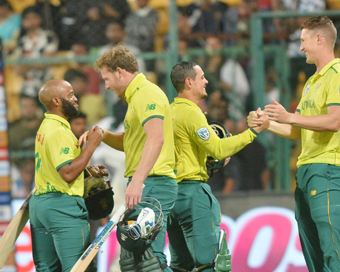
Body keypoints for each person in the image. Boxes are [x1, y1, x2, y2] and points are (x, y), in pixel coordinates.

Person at [248, 16, 340, 271]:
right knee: (315, 255)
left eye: (303, 41)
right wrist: (267, 124)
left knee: (334, 250)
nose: (301, 48)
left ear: (319, 39)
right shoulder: (311, 82)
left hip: (329, 172)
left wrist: (290, 116)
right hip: (307, 173)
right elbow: (297, 130)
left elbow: (334, 121)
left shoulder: (338, 74)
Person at [78, 45, 178, 271]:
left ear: (120, 72)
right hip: (148, 183)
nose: (106, 86)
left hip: (153, 184)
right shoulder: (137, 97)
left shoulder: (146, 93)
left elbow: (156, 138)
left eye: (107, 78)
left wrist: (137, 181)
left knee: (150, 260)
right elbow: (130, 142)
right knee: (133, 262)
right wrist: (102, 135)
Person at [168, 61, 269, 271]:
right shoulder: (192, 112)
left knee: (180, 265)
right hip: (193, 195)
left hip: (171, 196)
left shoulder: (168, 112)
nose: (206, 81)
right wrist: (253, 132)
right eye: (202, 77)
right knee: (211, 263)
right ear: (189, 82)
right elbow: (218, 149)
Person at [29, 79, 103, 271]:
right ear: (56, 101)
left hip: (40, 205)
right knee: (78, 268)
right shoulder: (59, 131)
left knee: (48, 269)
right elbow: (68, 173)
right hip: (62, 207)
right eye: (70, 95)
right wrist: (92, 145)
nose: (76, 98)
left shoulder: (45, 127)